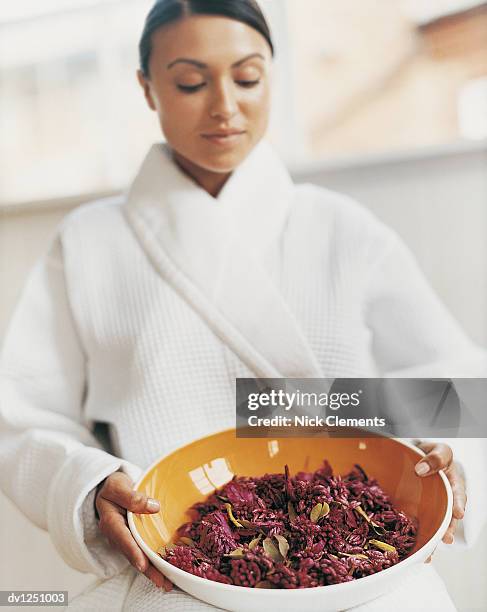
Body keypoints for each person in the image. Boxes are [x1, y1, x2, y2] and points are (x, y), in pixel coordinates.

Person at [0, 1, 485, 610]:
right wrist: (88, 482)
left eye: (248, 78)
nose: (225, 106)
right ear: (147, 88)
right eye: (190, 82)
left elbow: (454, 388)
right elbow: (22, 412)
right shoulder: (89, 243)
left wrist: (441, 451)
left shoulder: (340, 228)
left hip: (364, 555)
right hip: (174, 560)